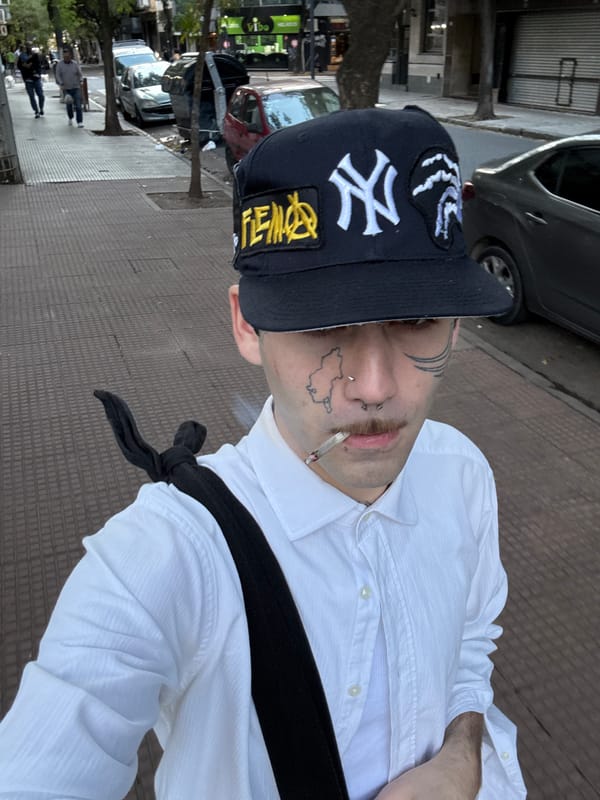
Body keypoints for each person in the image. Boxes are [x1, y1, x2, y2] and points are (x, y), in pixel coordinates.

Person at [0, 107, 527, 800]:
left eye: (418, 318)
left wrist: (464, 751)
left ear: (455, 326)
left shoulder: (461, 472)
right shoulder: (168, 555)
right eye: (321, 323)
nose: (373, 386)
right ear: (247, 325)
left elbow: (472, 639)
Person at [55, 45, 84, 127]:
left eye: (68, 56)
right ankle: (70, 118)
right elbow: (58, 75)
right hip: (66, 88)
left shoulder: (74, 64)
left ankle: (79, 122)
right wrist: (61, 83)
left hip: (76, 87)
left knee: (78, 106)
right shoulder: (60, 65)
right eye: (65, 57)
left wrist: (81, 80)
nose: (67, 58)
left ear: (70, 56)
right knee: (69, 105)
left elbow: (80, 74)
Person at [16, 42, 45, 118]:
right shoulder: (22, 56)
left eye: (30, 45)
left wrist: (38, 73)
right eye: (27, 45)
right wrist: (25, 66)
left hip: (36, 77)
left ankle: (41, 108)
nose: (29, 47)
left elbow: (38, 65)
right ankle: (36, 111)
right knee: (31, 96)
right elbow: (19, 66)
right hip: (28, 79)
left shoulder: (35, 55)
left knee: (41, 95)